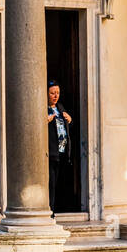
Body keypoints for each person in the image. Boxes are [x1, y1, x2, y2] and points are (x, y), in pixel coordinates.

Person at [46, 81, 72, 215]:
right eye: (52, 93)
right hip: (51, 153)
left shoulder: (60, 107)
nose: (55, 96)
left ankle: (58, 207)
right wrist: (45, 120)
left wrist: (69, 119)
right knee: (50, 183)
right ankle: (50, 210)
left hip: (63, 152)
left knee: (59, 183)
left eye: (57, 93)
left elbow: (66, 125)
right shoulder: (44, 109)